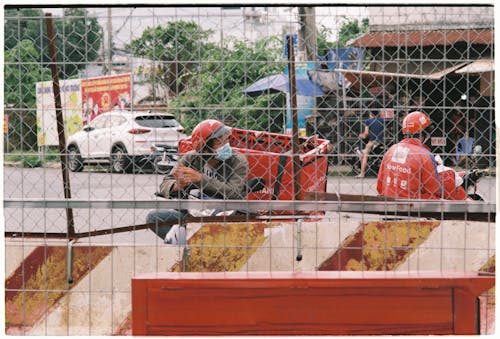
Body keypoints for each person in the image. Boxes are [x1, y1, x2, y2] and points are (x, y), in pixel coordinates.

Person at [146, 119, 249, 243]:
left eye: (227, 139)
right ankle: (187, 247)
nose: (227, 145)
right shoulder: (191, 158)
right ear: (205, 149)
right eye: (220, 142)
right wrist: (177, 186)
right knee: (153, 217)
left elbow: (234, 193)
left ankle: (197, 247)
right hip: (192, 215)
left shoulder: (237, 160)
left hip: (223, 217)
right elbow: (165, 183)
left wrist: (201, 179)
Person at [376, 111, 466, 200]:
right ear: (425, 133)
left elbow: (379, 187)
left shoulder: (391, 150)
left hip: (389, 198)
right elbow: (434, 189)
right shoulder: (424, 154)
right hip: (412, 202)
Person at [356, 106, 384, 178]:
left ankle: (362, 173)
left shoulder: (368, 121)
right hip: (381, 141)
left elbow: (366, 134)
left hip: (372, 142)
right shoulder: (382, 120)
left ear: (370, 113)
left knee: (365, 155)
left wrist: (360, 135)